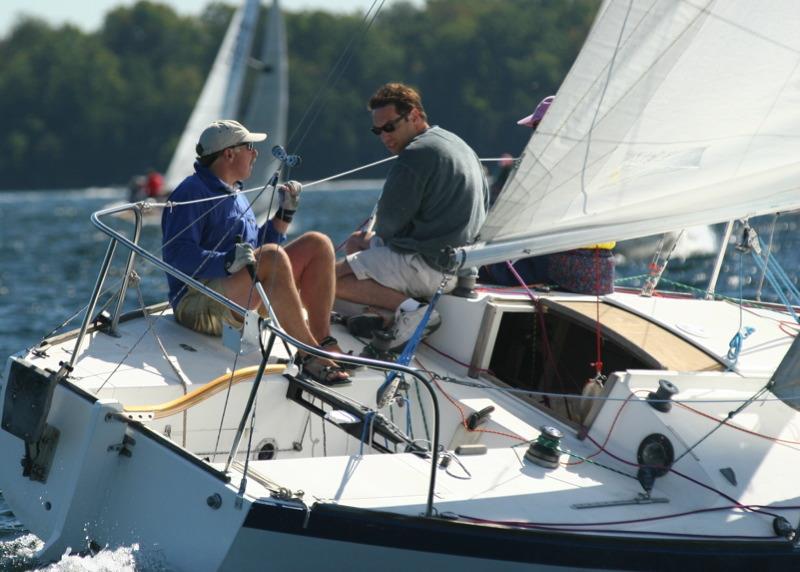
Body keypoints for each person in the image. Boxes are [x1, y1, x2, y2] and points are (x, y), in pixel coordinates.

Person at [162, 119, 349, 385]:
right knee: (271, 256)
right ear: (229, 153)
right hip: (195, 303)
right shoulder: (190, 193)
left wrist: (284, 214)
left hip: (235, 293)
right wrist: (226, 262)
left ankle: (322, 341)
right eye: (249, 146)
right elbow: (177, 256)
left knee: (317, 243)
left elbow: (257, 251)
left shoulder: (235, 193)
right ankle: (309, 357)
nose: (256, 153)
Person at [335, 83, 489, 349]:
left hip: (426, 266)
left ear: (414, 116)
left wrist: (377, 241)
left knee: (326, 276)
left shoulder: (416, 155)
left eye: (390, 127)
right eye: (377, 131)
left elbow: (389, 226)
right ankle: (382, 317)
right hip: (457, 267)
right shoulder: (459, 145)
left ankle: (413, 312)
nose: (384, 137)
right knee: (356, 243)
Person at [480, 96, 615, 294]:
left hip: (562, 265)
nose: (534, 136)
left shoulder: (550, 166)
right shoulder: (602, 161)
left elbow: (517, 220)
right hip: (602, 273)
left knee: (484, 268)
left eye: (537, 129)